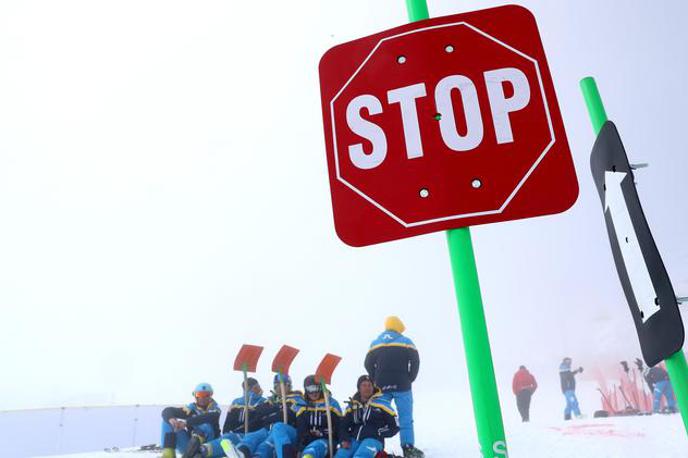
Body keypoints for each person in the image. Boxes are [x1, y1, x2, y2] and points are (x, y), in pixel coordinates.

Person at [364, 316, 422, 458]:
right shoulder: (407, 342)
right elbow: (415, 361)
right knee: (405, 418)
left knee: (377, 416)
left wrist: (374, 378)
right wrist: (410, 377)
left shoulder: (375, 343)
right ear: (398, 327)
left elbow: (367, 363)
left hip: (381, 386)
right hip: (403, 385)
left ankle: (376, 447)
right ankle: (408, 448)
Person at [220, 373, 305, 458]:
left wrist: (275, 412)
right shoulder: (271, 401)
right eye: (276, 385)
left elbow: (288, 415)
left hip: (287, 430)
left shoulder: (296, 399)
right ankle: (241, 453)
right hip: (268, 429)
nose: (278, 388)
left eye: (281, 385)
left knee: (266, 444)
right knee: (252, 436)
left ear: (289, 386)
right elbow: (259, 414)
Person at [194, 378, 267, 458]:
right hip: (238, 434)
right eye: (256, 387)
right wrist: (227, 431)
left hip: (250, 435)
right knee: (226, 440)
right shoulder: (238, 402)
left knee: (228, 440)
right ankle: (202, 451)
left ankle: (204, 450)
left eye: (259, 387)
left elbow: (261, 420)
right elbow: (229, 420)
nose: (260, 389)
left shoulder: (262, 401)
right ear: (248, 389)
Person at [336, 375, 399, 458]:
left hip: (373, 440)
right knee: (341, 456)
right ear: (359, 388)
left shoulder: (382, 404)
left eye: (370, 385)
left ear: (373, 388)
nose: (367, 388)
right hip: (354, 440)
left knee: (360, 456)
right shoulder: (352, 406)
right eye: (364, 385)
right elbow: (343, 426)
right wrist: (344, 439)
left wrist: (378, 432)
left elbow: (395, 425)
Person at [160, 383, 222, 458]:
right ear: (195, 396)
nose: (203, 398)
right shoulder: (190, 410)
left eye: (206, 395)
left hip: (209, 448)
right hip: (189, 447)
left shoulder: (215, 410)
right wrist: (172, 420)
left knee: (205, 426)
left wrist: (186, 423)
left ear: (210, 396)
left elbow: (206, 418)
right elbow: (167, 411)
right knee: (167, 422)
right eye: (200, 395)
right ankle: (168, 454)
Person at [297, 375, 343, 458]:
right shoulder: (303, 406)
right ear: (306, 390)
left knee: (313, 449)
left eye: (316, 388)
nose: (314, 392)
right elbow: (301, 430)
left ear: (321, 388)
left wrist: (322, 433)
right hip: (309, 440)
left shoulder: (331, 404)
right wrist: (300, 448)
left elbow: (340, 427)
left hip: (327, 440)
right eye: (310, 389)